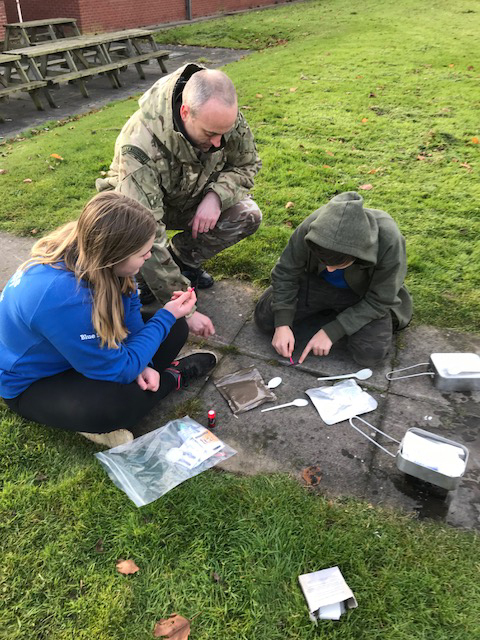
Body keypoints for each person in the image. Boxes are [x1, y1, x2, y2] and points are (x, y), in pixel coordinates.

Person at [0, 192, 217, 448]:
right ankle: (173, 377)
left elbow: (130, 310)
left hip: (75, 351)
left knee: (175, 328)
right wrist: (164, 318)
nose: (149, 257)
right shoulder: (65, 298)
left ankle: (145, 374)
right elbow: (120, 369)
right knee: (111, 408)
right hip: (34, 382)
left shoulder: (96, 255)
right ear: (115, 255)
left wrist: (143, 361)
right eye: (143, 253)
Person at [97, 63, 262, 338]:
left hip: (192, 200)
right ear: (185, 112)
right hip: (136, 213)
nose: (219, 142)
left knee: (247, 213)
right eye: (210, 134)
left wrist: (216, 197)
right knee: (140, 259)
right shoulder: (139, 145)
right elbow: (147, 230)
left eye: (225, 132)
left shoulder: (221, 119)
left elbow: (248, 164)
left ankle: (182, 260)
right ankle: (147, 274)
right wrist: (185, 308)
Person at [254, 191, 413, 367]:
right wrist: (282, 323)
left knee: (370, 354)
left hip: (361, 295)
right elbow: (285, 271)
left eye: (338, 265)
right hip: (316, 284)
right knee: (265, 320)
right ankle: (328, 316)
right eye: (324, 262)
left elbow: (381, 299)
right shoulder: (313, 227)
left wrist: (333, 331)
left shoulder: (390, 240)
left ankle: (333, 321)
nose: (329, 269)